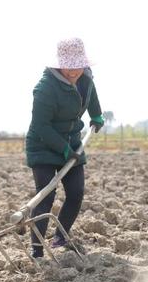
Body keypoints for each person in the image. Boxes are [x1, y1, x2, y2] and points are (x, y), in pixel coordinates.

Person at [25, 37, 104, 258]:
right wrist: (64, 150)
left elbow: (91, 94)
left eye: (77, 66)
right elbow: (41, 126)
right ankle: (37, 250)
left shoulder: (85, 77)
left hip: (72, 142)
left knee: (76, 192)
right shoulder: (45, 88)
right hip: (43, 146)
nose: (72, 72)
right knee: (46, 196)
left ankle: (60, 237)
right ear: (59, 63)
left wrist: (96, 114)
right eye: (68, 67)